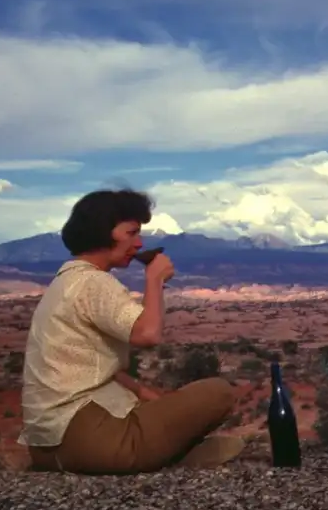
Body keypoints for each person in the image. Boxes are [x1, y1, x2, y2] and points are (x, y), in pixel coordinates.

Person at [19, 188, 245, 474]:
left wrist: (159, 403)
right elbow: (147, 334)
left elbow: (105, 371)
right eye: (131, 233)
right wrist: (154, 280)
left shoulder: (64, 283)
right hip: (89, 440)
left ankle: (173, 454)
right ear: (103, 232)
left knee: (159, 411)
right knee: (218, 392)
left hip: (47, 447)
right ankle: (174, 457)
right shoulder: (94, 283)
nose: (138, 244)